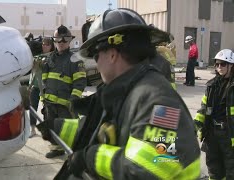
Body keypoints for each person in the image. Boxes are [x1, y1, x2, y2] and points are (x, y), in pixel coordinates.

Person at [46, 8, 200, 179]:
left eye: (96, 57)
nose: (96, 65)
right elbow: (100, 129)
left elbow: (148, 169)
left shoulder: (159, 101)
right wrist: (56, 127)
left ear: (112, 54)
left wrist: (90, 157)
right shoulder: (124, 91)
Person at [40, 25, 87, 158]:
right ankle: (56, 148)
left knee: (69, 128)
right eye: (58, 39)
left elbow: (80, 82)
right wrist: (43, 93)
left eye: (64, 39)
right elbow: (44, 77)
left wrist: (73, 99)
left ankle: (78, 150)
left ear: (69, 40)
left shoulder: (75, 60)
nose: (61, 42)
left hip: (65, 104)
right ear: (54, 40)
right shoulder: (50, 58)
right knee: (52, 127)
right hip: (49, 102)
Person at [194, 49, 234, 180]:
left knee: (230, 170)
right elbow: (203, 109)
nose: (219, 67)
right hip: (212, 133)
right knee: (213, 169)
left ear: (231, 65)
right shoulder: (212, 85)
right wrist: (195, 126)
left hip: (229, 135)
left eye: (223, 64)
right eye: (217, 64)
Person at [28, 37, 55, 138]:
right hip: (34, 85)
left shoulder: (53, 56)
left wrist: (46, 63)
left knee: (47, 109)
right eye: (43, 44)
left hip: (46, 86)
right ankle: (33, 129)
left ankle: (46, 129)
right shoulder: (37, 55)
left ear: (51, 46)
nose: (44, 46)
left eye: (47, 44)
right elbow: (31, 70)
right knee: (32, 108)